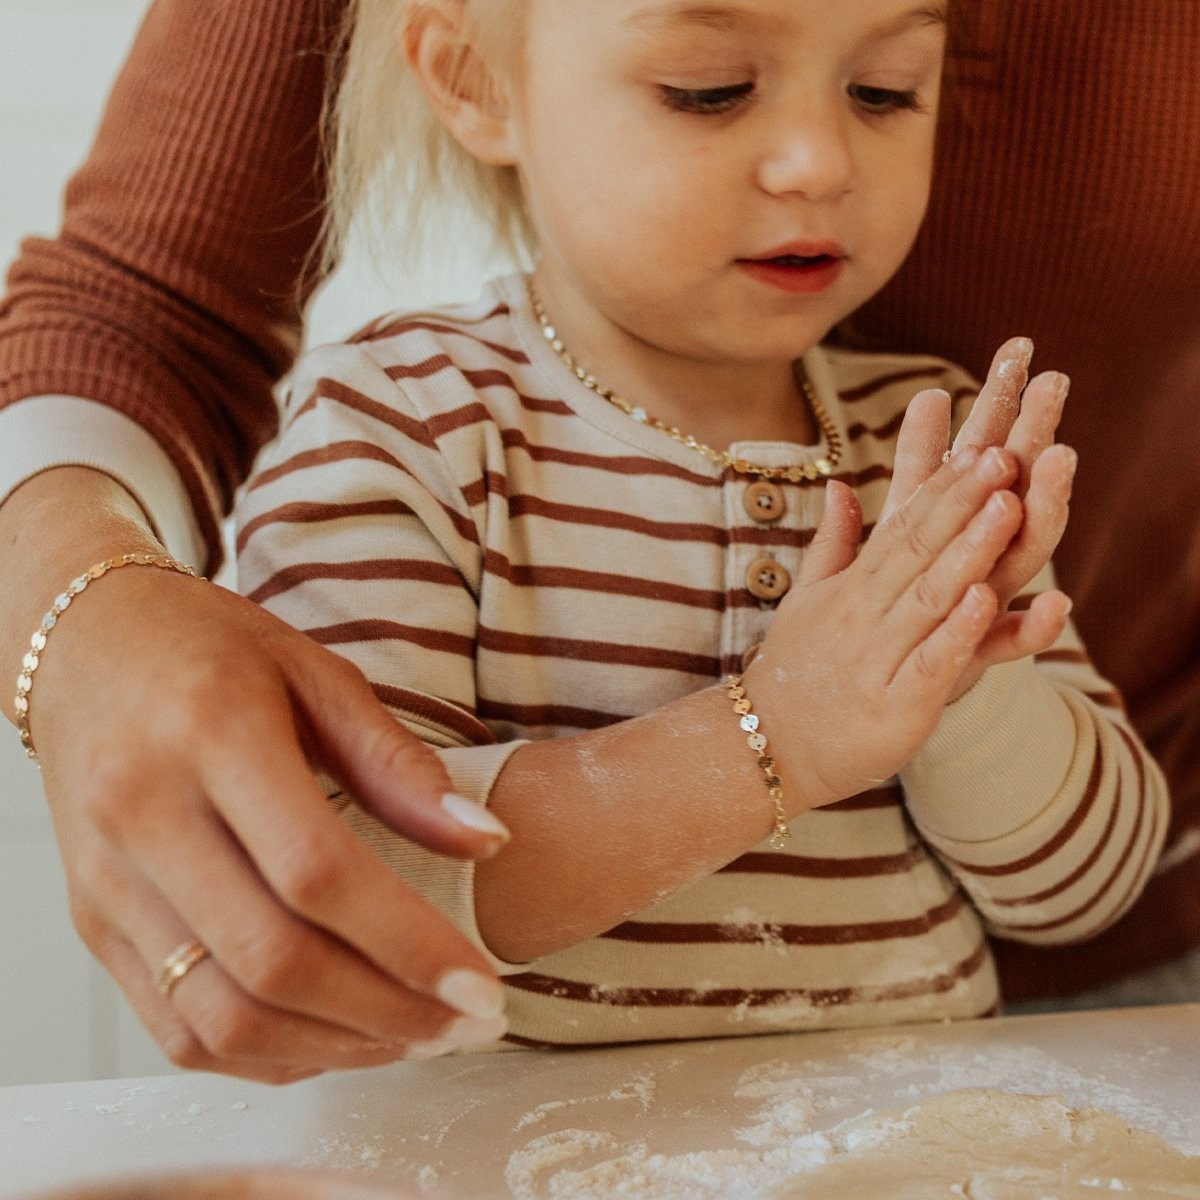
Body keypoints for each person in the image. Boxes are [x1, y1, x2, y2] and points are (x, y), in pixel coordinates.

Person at [0, 0, 1195, 1073]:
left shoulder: (919, 441)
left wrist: (957, 680)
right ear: (476, 83)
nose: (819, 162)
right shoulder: (406, 429)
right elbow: (370, 873)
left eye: (885, 89)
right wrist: (780, 737)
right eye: (709, 90)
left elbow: (1082, 890)